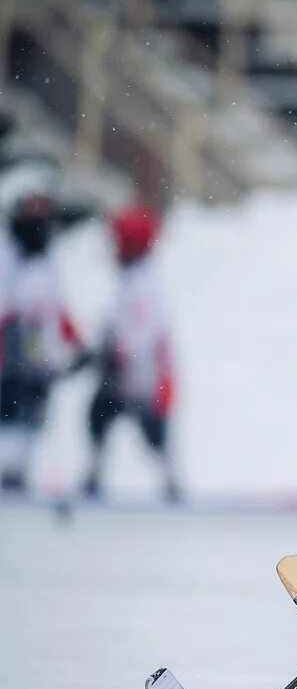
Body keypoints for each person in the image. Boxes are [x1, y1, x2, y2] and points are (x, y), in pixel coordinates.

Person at [83, 203, 179, 502]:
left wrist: (114, 352)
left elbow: (140, 332)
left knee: (135, 423)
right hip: (130, 372)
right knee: (101, 415)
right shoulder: (134, 279)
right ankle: (97, 473)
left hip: (140, 374)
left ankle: (169, 480)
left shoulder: (142, 283)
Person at [0, 190, 86, 492]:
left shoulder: (43, 260)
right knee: (10, 419)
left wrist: (77, 345)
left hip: (34, 362)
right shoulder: (8, 258)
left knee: (31, 423)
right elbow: (13, 315)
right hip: (10, 363)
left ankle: (17, 477)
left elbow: (55, 310)